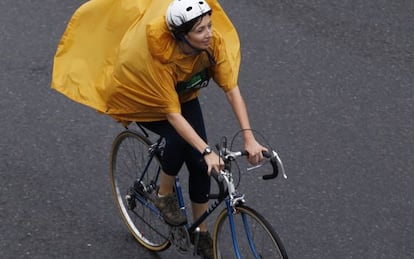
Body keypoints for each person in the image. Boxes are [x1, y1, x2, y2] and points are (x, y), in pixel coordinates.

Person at [52, 0, 267, 258]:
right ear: (181, 37)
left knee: (200, 165)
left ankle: (201, 233)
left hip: (182, 97)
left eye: (209, 25)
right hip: (141, 97)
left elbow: (232, 91)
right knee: (179, 138)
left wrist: (249, 137)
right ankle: (164, 194)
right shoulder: (161, 59)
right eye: (200, 30)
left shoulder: (213, 45)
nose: (209, 33)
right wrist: (207, 149)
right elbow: (173, 116)